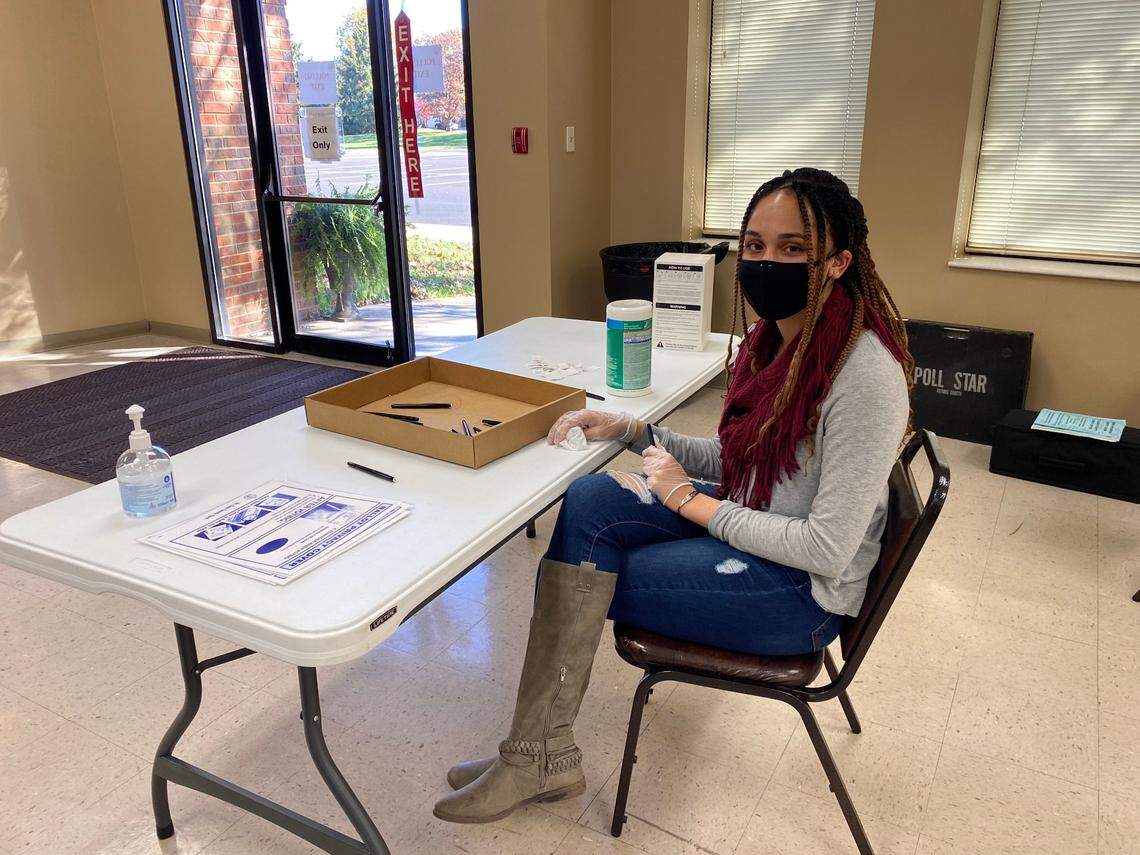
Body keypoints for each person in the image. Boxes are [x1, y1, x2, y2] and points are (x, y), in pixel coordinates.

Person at [433, 167, 914, 824]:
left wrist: (690, 501)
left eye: (793, 248)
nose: (766, 261)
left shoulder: (864, 375)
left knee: (587, 573)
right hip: (760, 526)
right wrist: (635, 432)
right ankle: (538, 751)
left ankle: (534, 755)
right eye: (755, 244)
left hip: (795, 593)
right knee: (591, 502)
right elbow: (746, 461)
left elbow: (825, 547)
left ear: (837, 261)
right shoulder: (785, 342)